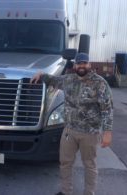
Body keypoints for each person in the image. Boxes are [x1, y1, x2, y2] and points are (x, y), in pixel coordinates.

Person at [30, 53, 113, 195]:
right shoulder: (69, 80)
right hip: (69, 131)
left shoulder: (99, 83)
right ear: (75, 65)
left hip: (90, 132)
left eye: (84, 63)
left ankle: (89, 192)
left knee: (89, 165)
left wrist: (107, 132)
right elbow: (53, 80)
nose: (81, 66)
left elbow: (107, 108)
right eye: (79, 63)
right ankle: (66, 191)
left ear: (89, 65)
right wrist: (41, 74)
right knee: (65, 163)